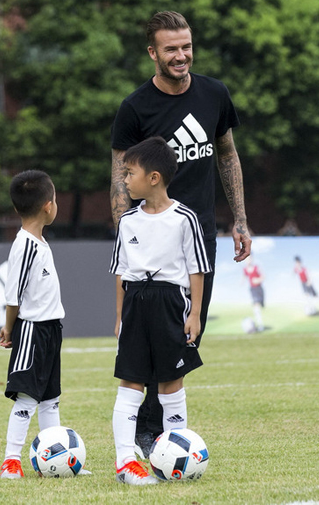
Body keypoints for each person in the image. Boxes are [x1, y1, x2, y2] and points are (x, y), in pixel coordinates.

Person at [110, 10, 251, 457]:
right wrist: (123, 237)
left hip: (198, 238)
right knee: (150, 337)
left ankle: (161, 428)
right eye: (171, 48)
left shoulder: (214, 94)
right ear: (152, 52)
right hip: (150, 244)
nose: (181, 56)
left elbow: (227, 156)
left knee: (187, 335)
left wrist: (240, 220)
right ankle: (149, 432)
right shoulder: (135, 108)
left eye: (186, 46)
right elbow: (119, 177)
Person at [109, 137, 211, 485]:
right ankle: (126, 462)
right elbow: (121, 272)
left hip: (171, 303)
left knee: (171, 382)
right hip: (136, 303)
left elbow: (197, 269)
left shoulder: (184, 218)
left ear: (153, 178)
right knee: (131, 382)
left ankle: (172, 454)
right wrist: (120, 317)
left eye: (129, 173)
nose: (124, 179)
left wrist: (195, 313)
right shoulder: (127, 221)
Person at [0, 170, 71, 479]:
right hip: (31, 329)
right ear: (48, 206)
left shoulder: (40, 241)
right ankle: (11, 460)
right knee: (27, 398)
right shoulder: (25, 245)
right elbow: (13, 295)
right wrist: (8, 327)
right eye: (55, 199)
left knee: (50, 399)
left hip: (52, 329)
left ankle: (54, 458)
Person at [242, 256, 265, 332]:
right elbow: (244, 277)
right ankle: (260, 326)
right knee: (256, 306)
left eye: (249, 258)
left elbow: (263, 277)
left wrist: (257, 280)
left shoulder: (256, 267)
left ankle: (260, 324)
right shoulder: (245, 269)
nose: (248, 260)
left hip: (259, 289)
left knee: (259, 307)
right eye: (246, 259)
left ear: (252, 259)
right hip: (253, 289)